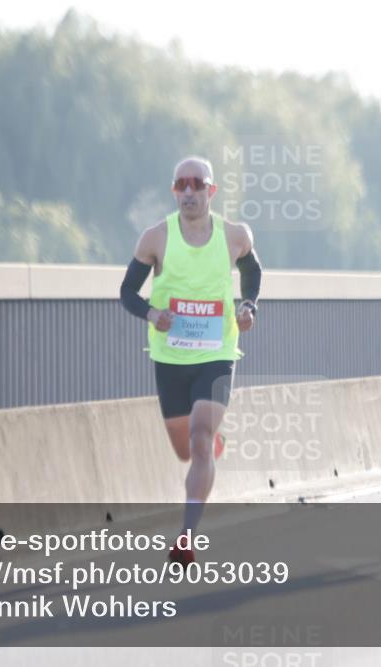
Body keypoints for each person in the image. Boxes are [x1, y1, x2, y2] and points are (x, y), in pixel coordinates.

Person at [119, 156, 261, 563]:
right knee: (187, 448)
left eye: (197, 184)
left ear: (211, 191)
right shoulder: (155, 238)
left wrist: (248, 306)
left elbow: (252, 273)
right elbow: (127, 292)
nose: (188, 191)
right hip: (170, 356)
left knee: (199, 438)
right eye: (181, 184)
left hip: (217, 352)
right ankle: (210, 444)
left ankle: (187, 536)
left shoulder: (234, 235)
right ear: (173, 191)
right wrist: (152, 314)